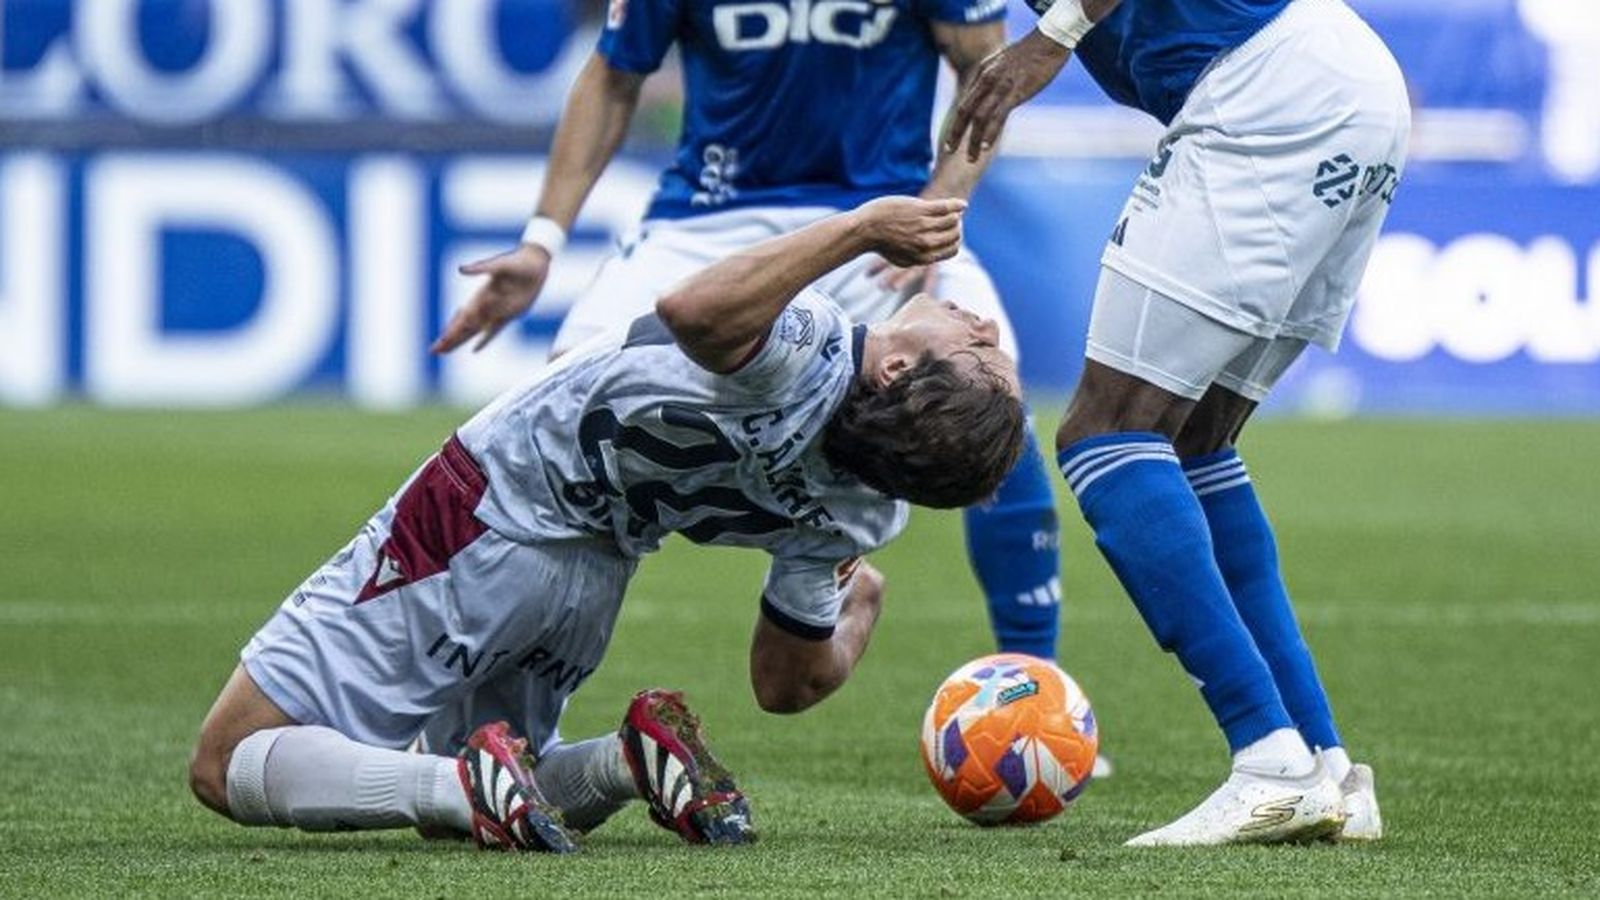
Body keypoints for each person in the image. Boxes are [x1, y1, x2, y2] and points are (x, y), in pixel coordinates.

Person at [187, 196, 1027, 852]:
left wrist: (862, 228)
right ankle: (625, 763)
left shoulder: (812, 346)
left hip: (484, 510)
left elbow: (691, 307)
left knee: (228, 762)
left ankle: (466, 785)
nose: (986, 326)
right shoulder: (862, 508)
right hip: (592, 576)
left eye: (981, 356)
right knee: (468, 790)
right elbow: (786, 683)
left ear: (900, 367)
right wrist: (857, 616)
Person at [432, 0, 1072, 674]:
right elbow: (612, 76)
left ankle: (1034, 685)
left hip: (882, 223)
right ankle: (473, 652)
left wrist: (942, 207)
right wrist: (541, 242)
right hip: (705, 220)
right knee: (559, 404)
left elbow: (985, 68)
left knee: (998, 395)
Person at [943, 0, 1409, 846]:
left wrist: (1048, 40)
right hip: (1345, 83)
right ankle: (1324, 765)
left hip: (1266, 87)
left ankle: (1269, 761)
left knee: (1103, 432)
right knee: (1195, 442)